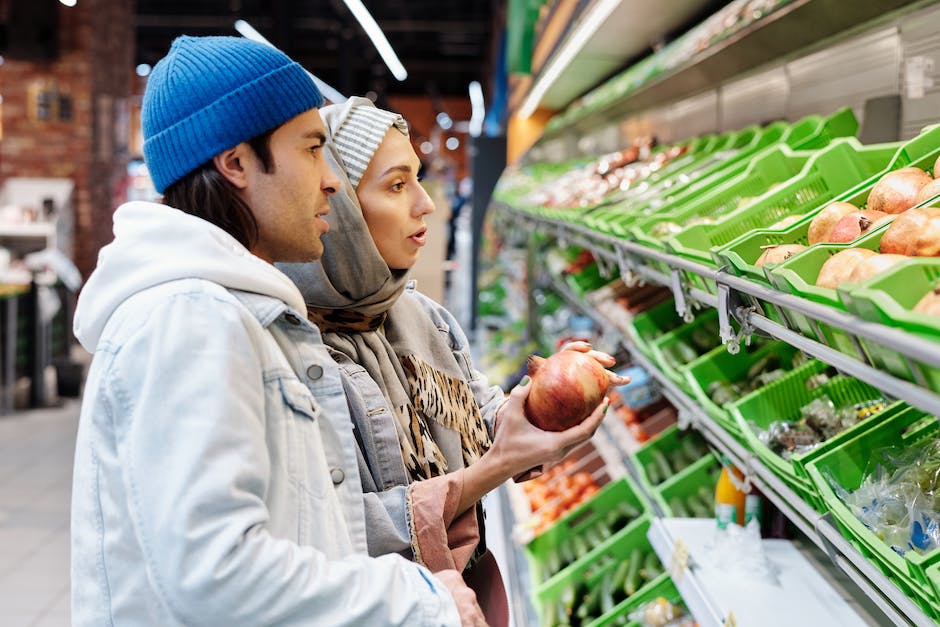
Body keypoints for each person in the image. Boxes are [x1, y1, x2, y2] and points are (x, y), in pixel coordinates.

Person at [70, 36, 488, 627]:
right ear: (236, 162)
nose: (331, 181)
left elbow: (298, 529)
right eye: (313, 149)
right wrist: (415, 598)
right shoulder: (190, 319)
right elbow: (216, 574)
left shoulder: (244, 313)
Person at [278, 97, 628, 623]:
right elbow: (336, 530)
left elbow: (480, 420)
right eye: (397, 186)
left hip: (466, 595)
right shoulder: (291, 354)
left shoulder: (423, 317)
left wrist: (543, 401)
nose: (426, 204)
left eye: (419, 180)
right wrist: (493, 470)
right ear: (340, 206)